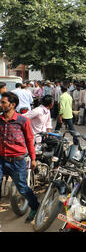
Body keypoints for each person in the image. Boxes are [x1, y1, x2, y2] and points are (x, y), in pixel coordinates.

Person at [0, 92, 40, 222]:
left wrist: (33, 159)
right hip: (1, 160)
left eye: (3, 102)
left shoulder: (23, 120)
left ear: (12, 105)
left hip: (17, 161)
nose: (1, 104)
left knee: (22, 188)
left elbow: (29, 140)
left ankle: (35, 206)